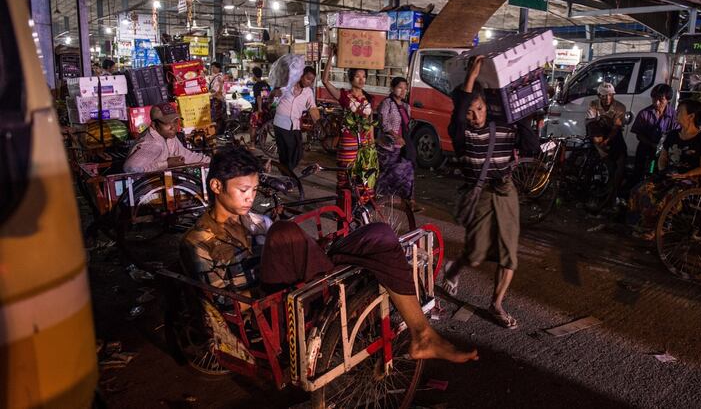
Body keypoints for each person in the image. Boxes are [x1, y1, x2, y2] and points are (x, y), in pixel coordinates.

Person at [180, 146, 478, 363]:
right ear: (216, 186)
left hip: (307, 282)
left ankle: (422, 334)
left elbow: (299, 255)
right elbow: (223, 308)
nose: (250, 197)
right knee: (283, 231)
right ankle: (342, 287)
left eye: (255, 189)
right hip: (272, 311)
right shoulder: (197, 242)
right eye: (243, 190)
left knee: (379, 234)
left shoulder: (257, 221)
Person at [443, 56, 539, 329]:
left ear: (488, 106)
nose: (476, 116)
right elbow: (459, 115)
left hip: (505, 192)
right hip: (480, 194)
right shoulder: (461, 134)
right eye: (471, 111)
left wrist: (518, 112)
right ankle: (455, 268)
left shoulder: (505, 128)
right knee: (475, 254)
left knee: (510, 254)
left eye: (480, 109)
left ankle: (496, 304)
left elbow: (533, 147)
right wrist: (472, 77)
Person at [627, 99, 701, 239]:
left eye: (679, 112)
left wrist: (684, 175)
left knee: (666, 198)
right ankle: (641, 224)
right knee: (639, 190)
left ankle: (658, 228)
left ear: (691, 116)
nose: (676, 114)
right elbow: (663, 157)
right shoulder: (673, 135)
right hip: (670, 175)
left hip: (689, 180)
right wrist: (664, 172)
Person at [322, 46, 374, 193]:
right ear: (351, 78)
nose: (361, 79)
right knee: (345, 177)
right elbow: (325, 81)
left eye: (364, 76)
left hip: (364, 144)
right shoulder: (344, 96)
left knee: (363, 178)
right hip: (347, 142)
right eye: (358, 76)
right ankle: (343, 212)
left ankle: (359, 211)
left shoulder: (369, 98)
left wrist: (372, 144)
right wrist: (331, 56)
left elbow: (370, 124)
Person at [123, 103, 210, 173]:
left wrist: (211, 161)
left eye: (175, 122)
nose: (173, 127)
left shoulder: (169, 136)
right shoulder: (152, 144)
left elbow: (186, 155)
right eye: (166, 123)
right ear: (154, 125)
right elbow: (131, 168)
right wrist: (166, 164)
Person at [375, 77, 417, 209]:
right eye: (400, 87)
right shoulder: (387, 103)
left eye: (405, 88)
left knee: (408, 169)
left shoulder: (406, 106)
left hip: (401, 147)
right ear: (392, 88)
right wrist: (395, 136)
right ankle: (377, 198)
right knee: (388, 174)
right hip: (387, 147)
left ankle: (410, 200)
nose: (403, 91)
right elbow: (384, 124)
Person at [586, 82, 627, 211]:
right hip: (598, 133)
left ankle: (614, 195)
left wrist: (607, 141)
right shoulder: (594, 104)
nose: (607, 98)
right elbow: (591, 123)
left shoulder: (620, 107)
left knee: (620, 162)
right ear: (599, 96)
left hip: (613, 135)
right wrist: (599, 144)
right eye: (604, 96)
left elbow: (616, 128)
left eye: (610, 95)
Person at [271, 66, 318, 171]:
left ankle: (287, 172)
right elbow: (272, 98)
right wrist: (274, 93)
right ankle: (287, 175)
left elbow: (313, 107)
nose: (309, 82)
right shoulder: (287, 85)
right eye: (308, 78)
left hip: (295, 124)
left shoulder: (308, 92)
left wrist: (317, 120)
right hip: (281, 123)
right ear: (301, 76)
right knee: (286, 151)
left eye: (312, 80)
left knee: (298, 152)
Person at [630, 84, 678, 185]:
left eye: (661, 100)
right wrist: (652, 144)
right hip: (646, 148)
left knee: (661, 177)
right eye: (654, 99)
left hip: (665, 151)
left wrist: (664, 147)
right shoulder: (644, 113)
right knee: (638, 174)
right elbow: (639, 134)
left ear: (668, 100)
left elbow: (677, 134)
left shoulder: (674, 115)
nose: (657, 103)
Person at [249, 66, 272, 144]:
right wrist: (268, 106)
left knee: (253, 126)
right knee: (264, 126)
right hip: (266, 109)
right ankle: (262, 143)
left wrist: (259, 109)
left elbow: (259, 97)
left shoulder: (257, 85)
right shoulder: (266, 85)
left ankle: (252, 145)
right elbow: (269, 97)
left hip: (258, 109)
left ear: (254, 75)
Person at [209, 61, 227, 130]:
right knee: (217, 118)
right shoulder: (215, 77)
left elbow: (217, 91)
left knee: (217, 118)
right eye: (212, 67)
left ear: (218, 68)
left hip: (218, 101)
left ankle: (218, 132)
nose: (212, 69)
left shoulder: (219, 77)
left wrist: (209, 94)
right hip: (216, 100)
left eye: (214, 67)